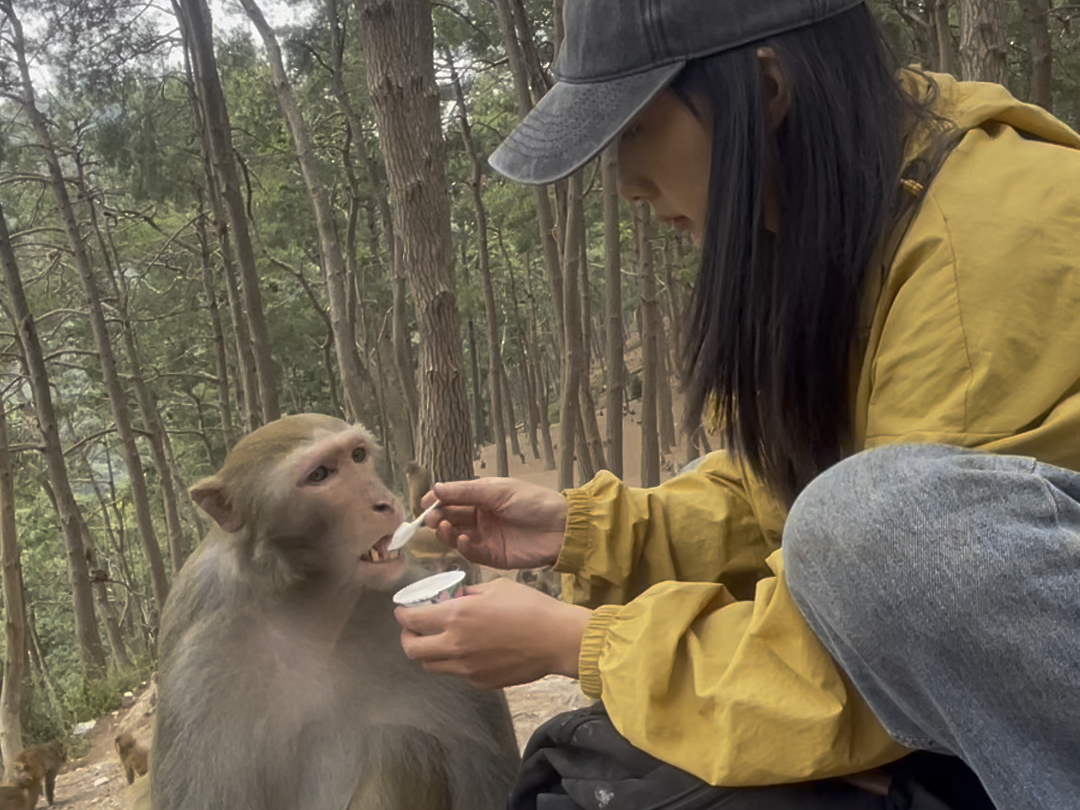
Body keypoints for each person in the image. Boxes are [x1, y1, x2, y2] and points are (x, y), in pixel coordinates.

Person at [393, 0, 1080, 806]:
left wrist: (584, 645)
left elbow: (897, 608)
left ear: (765, 89)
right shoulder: (840, 221)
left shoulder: (986, 245)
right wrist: (588, 530)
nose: (627, 187)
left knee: (873, 520)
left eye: (636, 131)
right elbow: (779, 498)